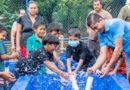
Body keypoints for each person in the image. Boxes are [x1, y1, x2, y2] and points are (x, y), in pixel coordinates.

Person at [86, 13, 130, 81]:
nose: (96, 30)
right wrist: (93, 68)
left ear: (101, 20)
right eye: (93, 29)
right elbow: (103, 54)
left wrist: (108, 66)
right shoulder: (101, 35)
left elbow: (118, 48)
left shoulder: (115, 24)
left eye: (96, 27)